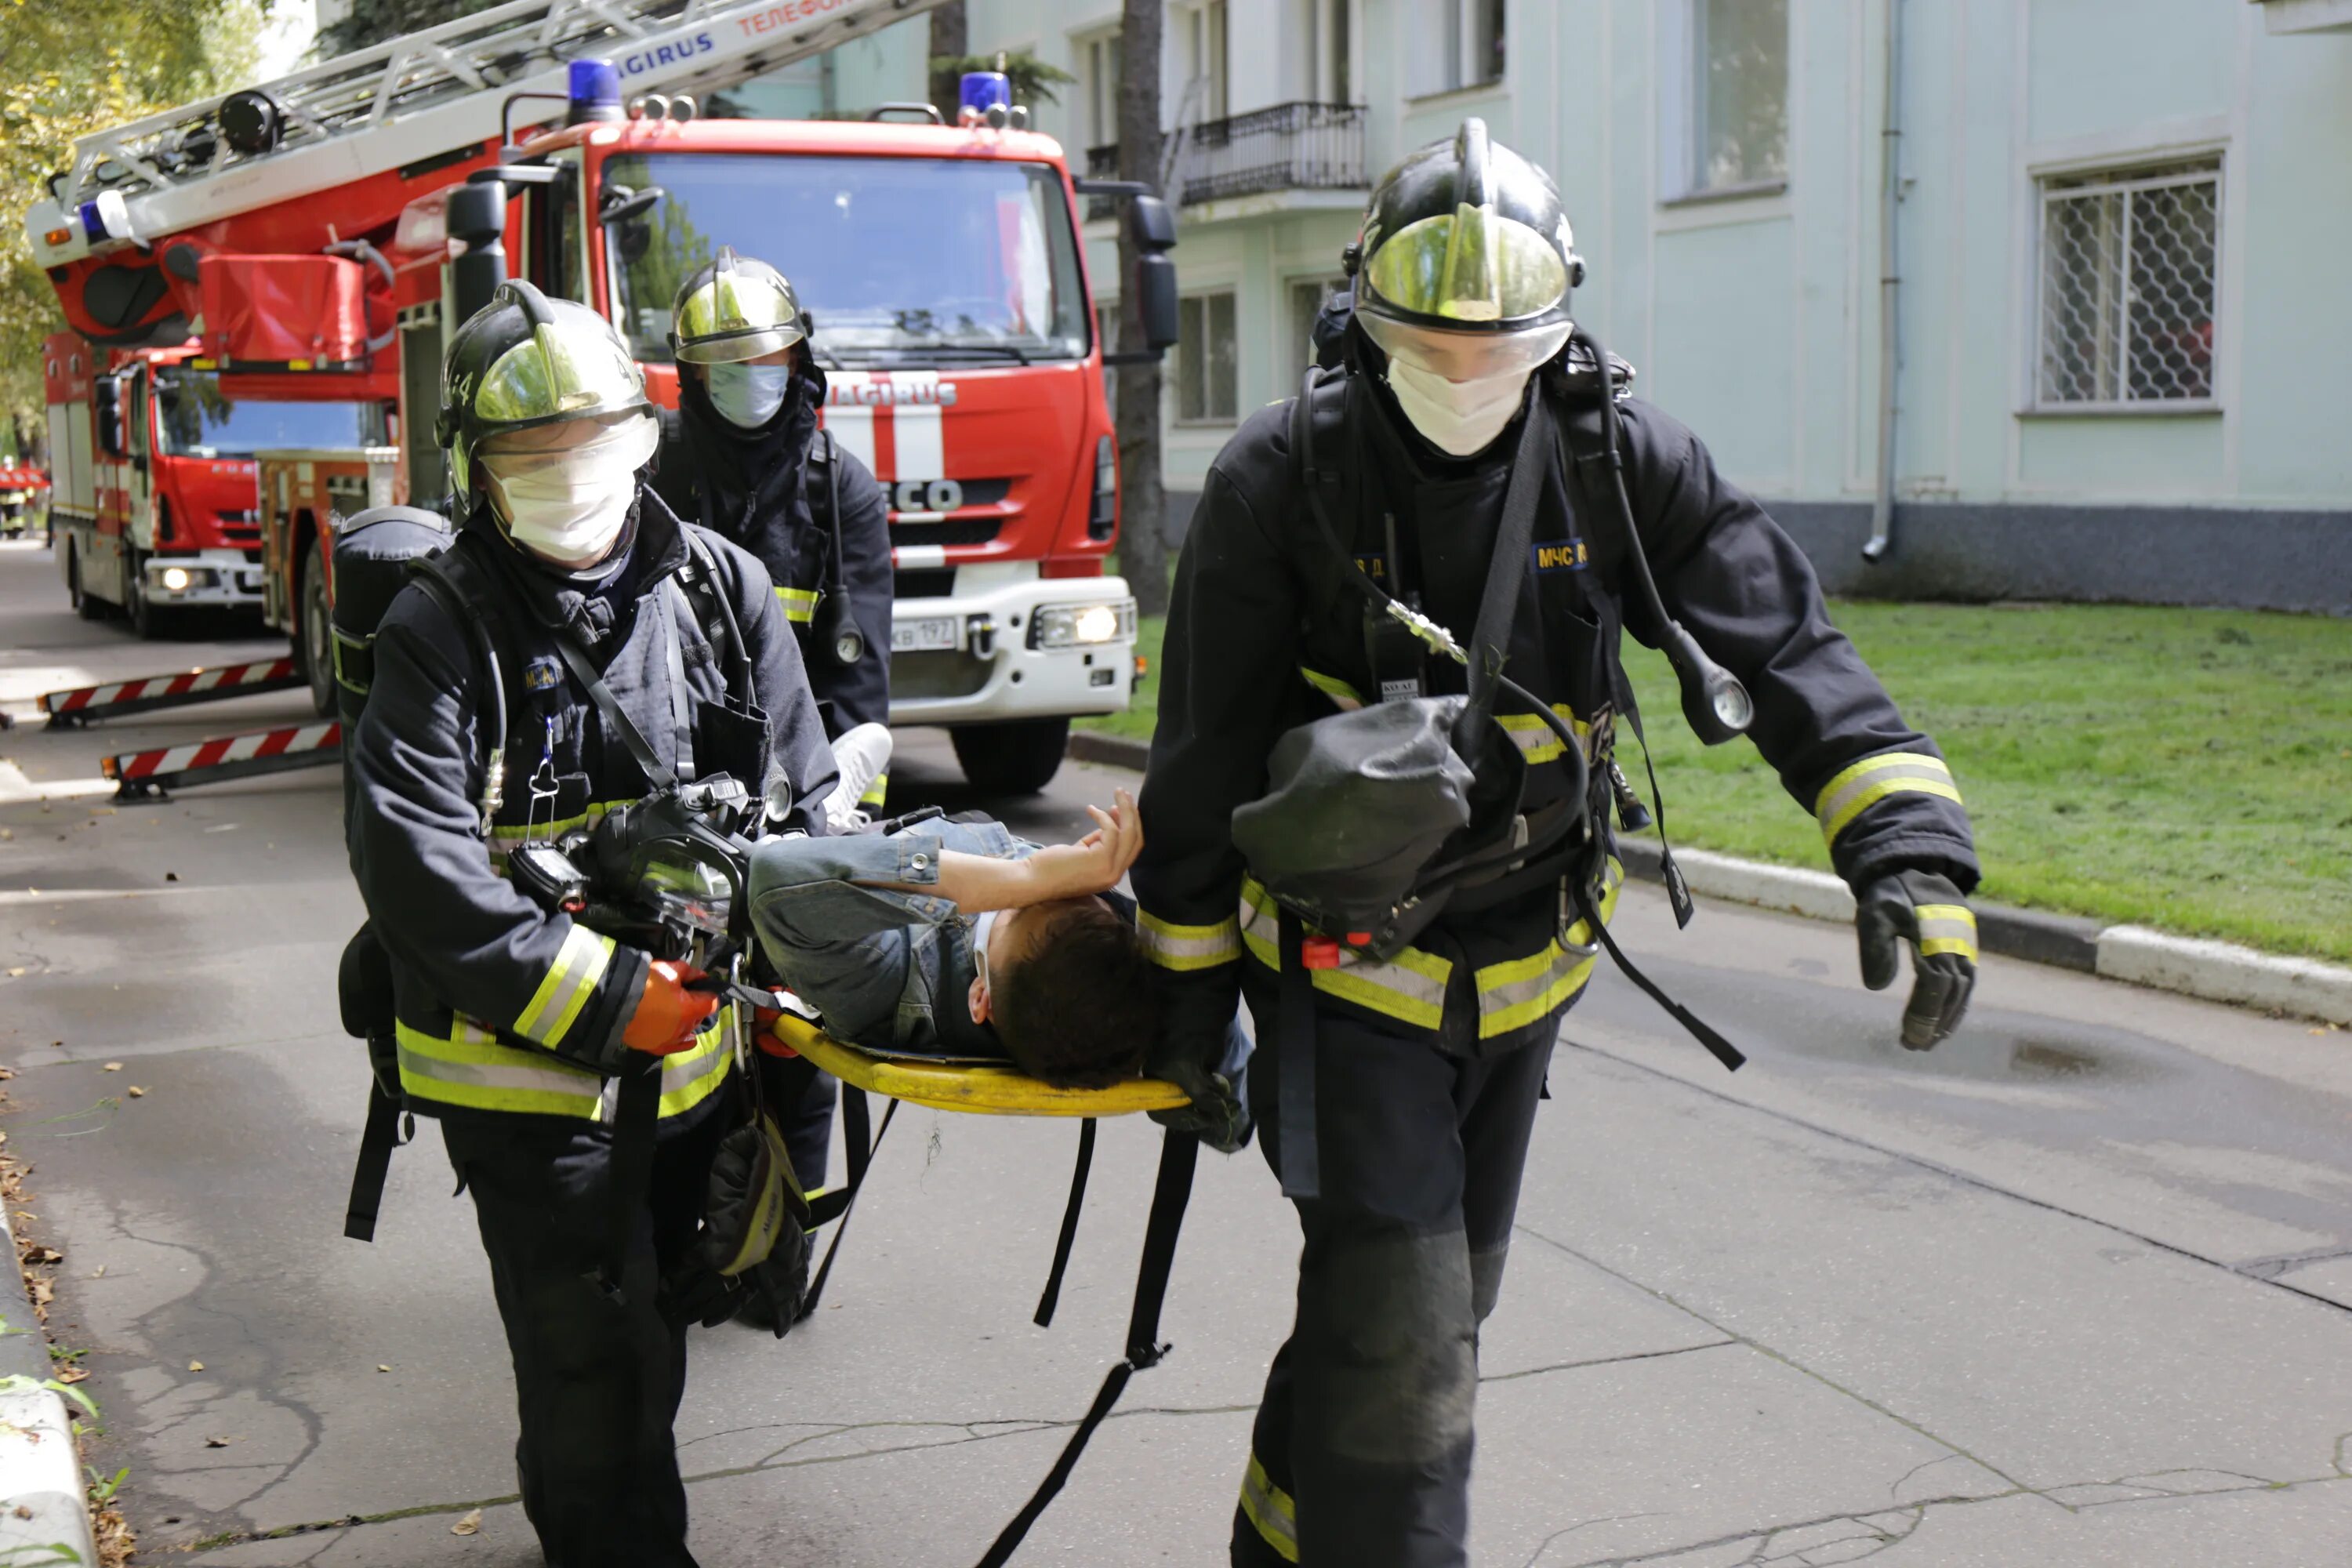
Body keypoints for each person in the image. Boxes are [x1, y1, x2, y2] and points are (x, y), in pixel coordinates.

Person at [1131, 121, 1981, 1568]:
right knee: (1404, 1352)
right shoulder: (1287, 476)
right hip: (1346, 991)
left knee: (1412, 1321)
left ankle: (1281, 1545)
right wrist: (1187, 1012)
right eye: (1431, 343)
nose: (1466, 375)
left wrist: (1904, 842)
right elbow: (1200, 761)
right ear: (1365, 317)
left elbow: (1778, 637)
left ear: (1559, 320)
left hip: (1530, 975)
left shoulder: (1614, 458)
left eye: (1498, 347)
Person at [346, 280, 836, 1568]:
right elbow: (415, 871)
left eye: (591, 438)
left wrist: (827, 993)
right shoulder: (440, 630)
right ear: (474, 465)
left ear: (642, 433)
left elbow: (807, 824)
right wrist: (615, 1002)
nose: (569, 470)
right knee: (595, 1365)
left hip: (697, 1082)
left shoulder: (724, 594)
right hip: (531, 1091)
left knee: (652, 1344)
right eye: (529, 449)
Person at [649, 245, 895, 1206]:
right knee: (685, 1012)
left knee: (801, 1027)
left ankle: (786, 1226)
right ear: (691, 378)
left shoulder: (842, 491)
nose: (750, 381)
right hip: (679, 791)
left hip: (813, 787)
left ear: (799, 363)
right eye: (724, 365)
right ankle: (692, 1225)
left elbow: (860, 678)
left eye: (768, 359)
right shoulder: (652, 475)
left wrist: (829, 808)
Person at [746, 787, 1162, 1087]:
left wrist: (1026, 877)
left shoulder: (885, 980)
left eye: (1023, 904)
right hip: (902, 836)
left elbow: (775, 876)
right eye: (1079, 891)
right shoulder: (1100, 975)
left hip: (816, 859)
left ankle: (826, 818)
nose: (1061, 881)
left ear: (981, 999)